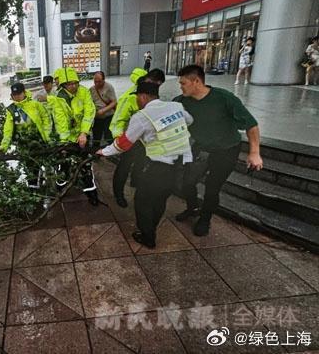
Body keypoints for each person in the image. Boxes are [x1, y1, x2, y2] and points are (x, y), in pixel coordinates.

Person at [97, 81, 193, 248]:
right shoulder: (176, 106)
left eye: (137, 98)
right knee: (160, 199)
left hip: (159, 167)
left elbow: (124, 143)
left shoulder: (143, 116)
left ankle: (148, 237)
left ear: (142, 96)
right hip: (181, 164)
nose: (137, 102)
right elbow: (189, 121)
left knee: (142, 202)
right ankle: (152, 227)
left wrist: (104, 152)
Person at [174, 65, 263, 236]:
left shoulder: (224, 98)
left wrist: (254, 153)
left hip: (227, 149)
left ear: (196, 81)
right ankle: (192, 208)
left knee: (212, 187)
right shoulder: (181, 101)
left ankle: (205, 219)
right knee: (187, 182)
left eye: (183, 83)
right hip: (201, 148)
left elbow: (251, 125)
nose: (181, 86)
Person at [109, 68, 166, 208]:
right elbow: (117, 121)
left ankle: (136, 182)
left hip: (144, 140)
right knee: (124, 167)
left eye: (158, 86)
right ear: (147, 80)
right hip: (129, 139)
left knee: (140, 163)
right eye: (154, 84)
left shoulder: (153, 95)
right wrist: (120, 140)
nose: (155, 88)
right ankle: (118, 194)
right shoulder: (130, 98)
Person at [54, 67, 99, 205]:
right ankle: (61, 187)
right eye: (70, 84)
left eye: (75, 82)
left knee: (85, 165)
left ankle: (91, 193)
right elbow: (61, 122)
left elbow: (89, 112)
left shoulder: (84, 92)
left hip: (83, 135)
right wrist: (64, 143)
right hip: (67, 138)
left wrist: (84, 133)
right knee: (65, 165)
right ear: (63, 85)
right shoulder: (59, 99)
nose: (74, 86)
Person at [0, 82, 51, 187]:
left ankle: (42, 183)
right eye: (14, 95)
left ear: (24, 93)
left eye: (19, 94)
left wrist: (47, 136)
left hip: (39, 140)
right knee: (30, 168)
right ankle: (34, 189)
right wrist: (3, 147)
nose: (17, 97)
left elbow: (46, 118)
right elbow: (8, 130)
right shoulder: (11, 110)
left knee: (44, 163)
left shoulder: (35, 104)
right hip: (24, 144)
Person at [90, 71, 117, 148]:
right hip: (97, 117)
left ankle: (112, 150)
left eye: (99, 82)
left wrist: (103, 110)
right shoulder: (91, 89)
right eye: (95, 81)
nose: (97, 84)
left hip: (108, 116)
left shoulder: (109, 87)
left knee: (108, 135)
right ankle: (95, 151)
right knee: (96, 136)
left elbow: (114, 102)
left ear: (104, 80)